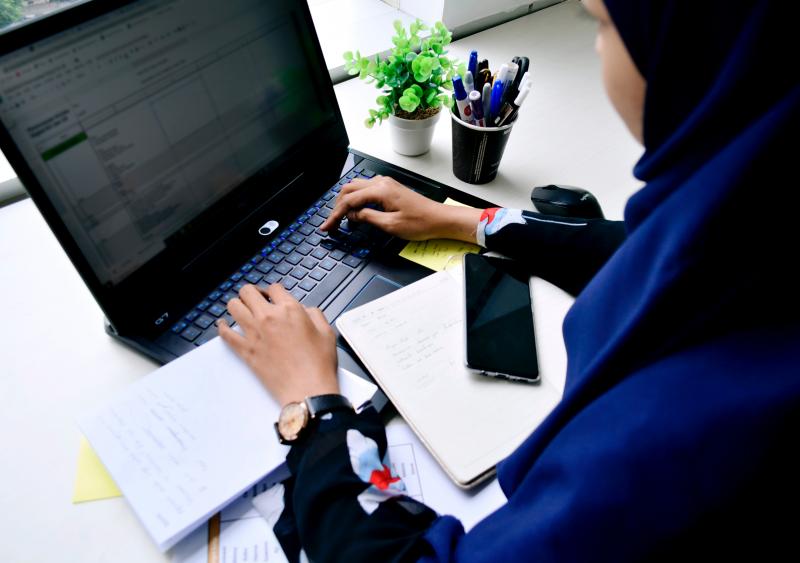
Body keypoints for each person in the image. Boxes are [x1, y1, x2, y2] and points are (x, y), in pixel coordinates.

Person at [218, 0, 800, 560]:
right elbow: (636, 245)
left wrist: (313, 401)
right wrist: (464, 219)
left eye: (600, 24)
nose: (598, 50)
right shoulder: (745, 218)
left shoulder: (682, 433)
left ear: (689, 53)